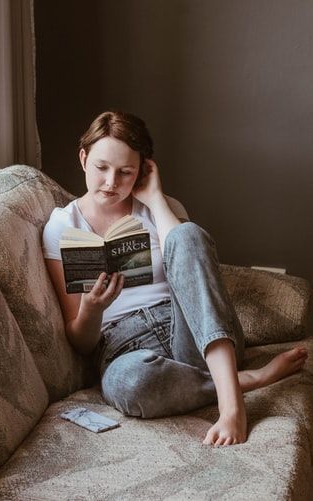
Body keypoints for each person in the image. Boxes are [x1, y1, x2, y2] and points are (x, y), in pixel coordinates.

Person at [42, 110, 308, 447]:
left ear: (143, 170)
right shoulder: (62, 227)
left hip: (193, 332)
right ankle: (250, 379)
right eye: (101, 168)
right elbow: (80, 341)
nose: (111, 182)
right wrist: (92, 309)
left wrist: (155, 199)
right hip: (125, 350)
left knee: (186, 235)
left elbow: (190, 256)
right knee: (126, 384)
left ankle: (230, 405)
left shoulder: (163, 206)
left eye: (125, 172)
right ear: (83, 159)